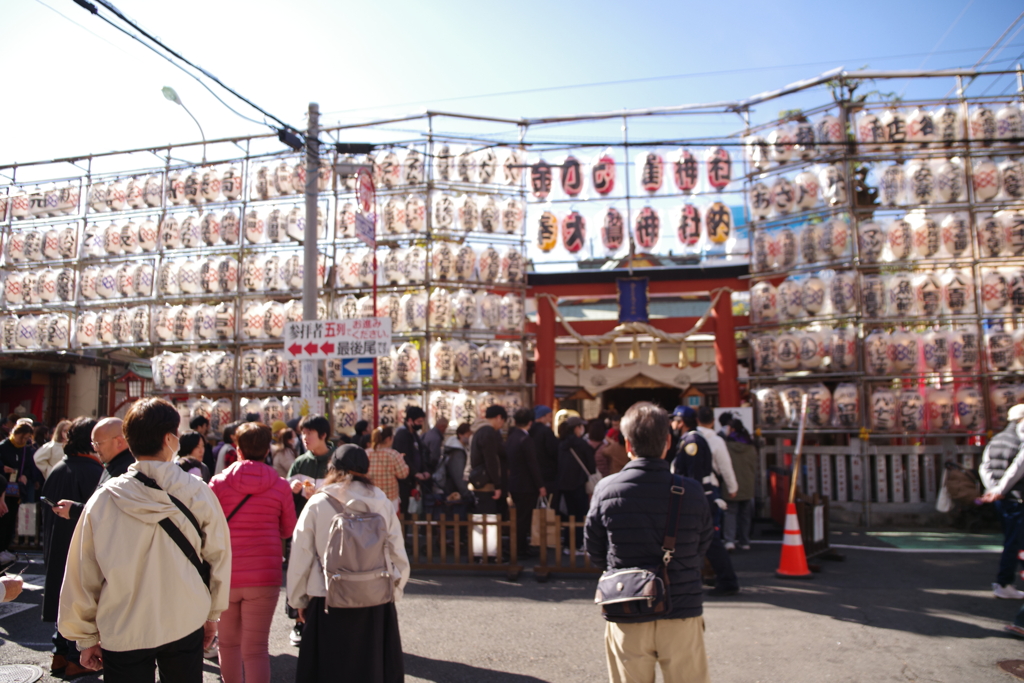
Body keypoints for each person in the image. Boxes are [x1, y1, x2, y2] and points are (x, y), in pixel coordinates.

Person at [58, 397, 232, 682]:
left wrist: (84, 636)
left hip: (122, 624)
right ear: (169, 438)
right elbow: (218, 556)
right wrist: (213, 613)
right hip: (184, 616)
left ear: (127, 441)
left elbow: (82, 570)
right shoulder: (197, 491)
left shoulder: (103, 499)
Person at [584, 402, 714, 683]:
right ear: (668, 443)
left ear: (628, 444)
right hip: (681, 605)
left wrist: (614, 568)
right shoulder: (691, 490)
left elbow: (594, 547)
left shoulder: (606, 489)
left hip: (627, 604)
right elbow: (704, 542)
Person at [287, 445, 409, 683]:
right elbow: (398, 553)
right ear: (366, 469)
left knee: (328, 670)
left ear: (333, 468)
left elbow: (301, 554)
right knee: (371, 670)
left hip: (327, 597)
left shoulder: (318, 502)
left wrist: (298, 600)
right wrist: (394, 589)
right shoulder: (381, 501)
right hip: (375, 599)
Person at [209, 422, 296, 683]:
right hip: (263, 574)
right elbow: (288, 529)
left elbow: (209, 528)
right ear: (267, 449)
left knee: (228, 644)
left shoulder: (218, 483)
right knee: (256, 648)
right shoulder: (280, 486)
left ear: (238, 448)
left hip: (226, 574)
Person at [41, 417, 102, 678]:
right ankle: (75, 658)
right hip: (81, 549)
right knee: (83, 602)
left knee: (62, 599)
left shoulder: (58, 468)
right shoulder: (95, 472)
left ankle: (59, 655)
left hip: (55, 546)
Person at [673, 407, 740, 596]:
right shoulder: (692, 439)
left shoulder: (692, 441)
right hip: (701, 494)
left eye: (674, 420)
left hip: (699, 495)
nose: (672, 425)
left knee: (709, 541)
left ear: (682, 421)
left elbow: (694, 475)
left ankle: (727, 579)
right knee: (704, 540)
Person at [286, 413, 333, 646]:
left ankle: (328, 620)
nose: (304, 437)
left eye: (309, 433)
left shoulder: (336, 461)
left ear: (323, 435)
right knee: (300, 571)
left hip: (332, 529)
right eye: (302, 433)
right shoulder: (300, 462)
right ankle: (298, 621)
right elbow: (286, 496)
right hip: (304, 525)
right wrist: (291, 489)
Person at [978, 404, 1024, 599]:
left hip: (1001, 499)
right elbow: (1017, 469)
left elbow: (984, 467)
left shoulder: (996, 439)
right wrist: (1000, 490)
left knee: (1014, 541)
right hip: (1016, 498)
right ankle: (1004, 583)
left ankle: (1005, 583)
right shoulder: (1020, 441)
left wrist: (993, 489)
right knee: (1015, 542)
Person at [506, 408, 546, 558]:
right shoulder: (526, 439)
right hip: (527, 485)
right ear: (530, 422)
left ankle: (517, 546)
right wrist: (540, 485)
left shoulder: (511, 437)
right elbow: (533, 464)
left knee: (518, 518)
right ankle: (520, 549)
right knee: (524, 519)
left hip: (514, 482)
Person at [557, 416, 596, 551]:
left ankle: (568, 545)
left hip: (563, 484)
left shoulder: (561, 444)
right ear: (576, 428)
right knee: (580, 515)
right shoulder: (582, 444)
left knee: (569, 515)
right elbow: (591, 466)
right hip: (579, 483)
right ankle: (578, 544)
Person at [0, 422, 35, 564]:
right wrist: (3, 468)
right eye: (22, 437)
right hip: (3, 487)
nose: (23, 441)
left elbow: (29, 466)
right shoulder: (3, 446)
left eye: (26, 438)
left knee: (11, 519)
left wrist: (25, 475)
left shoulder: (26, 449)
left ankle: (5, 547)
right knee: (2, 519)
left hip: (16, 489)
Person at [723, 419, 757, 551]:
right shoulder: (751, 446)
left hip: (732, 485)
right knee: (745, 514)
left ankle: (729, 540)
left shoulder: (726, 445)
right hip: (747, 484)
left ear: (732, 429)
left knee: (730, 513)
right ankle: (745, 541)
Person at [469, 405, 509, 516]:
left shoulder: (478, 430)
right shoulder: (488, 432)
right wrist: (497, 485)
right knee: (488, 519)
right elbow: (491, 459)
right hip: (486, 484)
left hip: (479, 480)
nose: (501, 426)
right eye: (502, 422)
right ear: (499, 417)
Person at [365, 426, 410, 513]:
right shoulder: (393, 454)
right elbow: (403, 474)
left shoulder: (366, 453)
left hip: (370, 498)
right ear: (389, 438)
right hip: (390, 498)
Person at [393, 406, 428, 514]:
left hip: (414, 479)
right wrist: (415, 472)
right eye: (418, 421)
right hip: (404, 480)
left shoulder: (415, 435)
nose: (420, 424)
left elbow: (420, 455)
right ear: (410, 420)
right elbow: (404, 457)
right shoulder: (402, 435)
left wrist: (424, 470)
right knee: (404, 509)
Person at [530, 405, 561, 517]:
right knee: (549, 507)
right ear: (542, 417)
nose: (550, 419)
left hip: (531, 475)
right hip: (548, 475)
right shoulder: (546, 432)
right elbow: (554, 451)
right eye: (549, 416)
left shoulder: (529, 431)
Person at [440, 423, 474, 505]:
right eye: (468, 434)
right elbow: (458, 475)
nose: (470, 436)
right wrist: (467, 493)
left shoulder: (461, 449)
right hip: (454, 493)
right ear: (460, 435)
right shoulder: (457, 453)